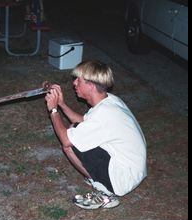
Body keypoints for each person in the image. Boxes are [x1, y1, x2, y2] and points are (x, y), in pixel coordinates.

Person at [45, 60, 147, 210]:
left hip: (124, 177)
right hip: (133, 169)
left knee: (70, 146)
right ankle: (102, 178)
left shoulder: (104, 114)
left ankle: (105, 191)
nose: (74, 83)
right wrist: (61, 104)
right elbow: (83, 121)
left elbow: (66, 140)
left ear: (91, 86)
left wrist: (53, 110)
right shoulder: (109, 100)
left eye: (78, 80)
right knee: (76, 129)